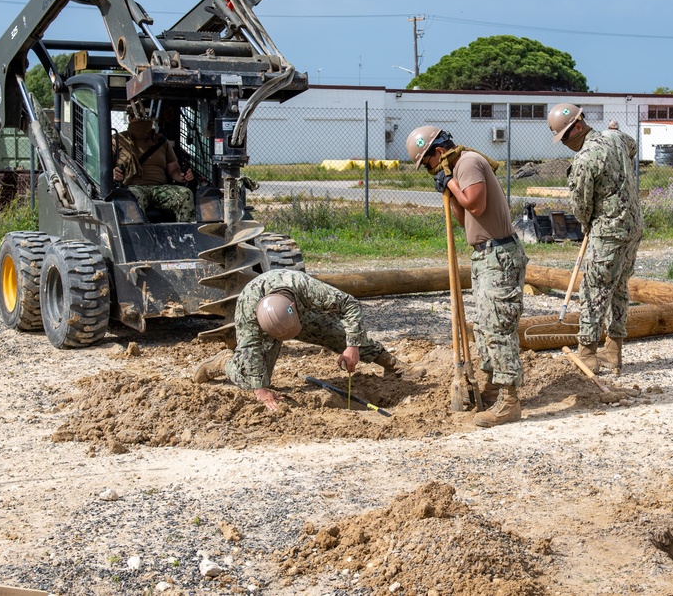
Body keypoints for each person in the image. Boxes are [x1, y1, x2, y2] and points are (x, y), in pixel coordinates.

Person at [405, 126, 528, 428]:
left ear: (437, 152)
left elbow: (476, 204)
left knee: (497, 325)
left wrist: (453, 184)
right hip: (484, 254)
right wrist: (450, 192)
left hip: (499, 254)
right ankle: (494, 384)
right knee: (485, 326)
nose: (429, 171)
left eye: (428, 165)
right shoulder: (458, 170)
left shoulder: (468, 163)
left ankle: (510, 401)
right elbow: (466, 217)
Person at [193, 269, 424, 411]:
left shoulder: (307, 289)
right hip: (267, 328)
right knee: (253, 378)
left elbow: (349, 305)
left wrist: (352, 345)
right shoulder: (248, 312)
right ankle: (224, 362)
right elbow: (251, 349)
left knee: (341, 335)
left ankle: (393, 365)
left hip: (299, 317)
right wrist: (261, 390)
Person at [548, 104, 644, 373]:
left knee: (594, 290)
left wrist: (587, 222)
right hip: (633, 225)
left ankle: (588, 352)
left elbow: (580, 204)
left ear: (578, 127)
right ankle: (613, 349)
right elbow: (632, 146)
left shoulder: (585, 159)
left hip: (608, 231)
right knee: (619, 287)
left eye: (565, 136)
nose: (565, 143)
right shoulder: (614, 138)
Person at [113, 111, 196, 222]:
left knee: (186, 194)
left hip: (159, 188)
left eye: (145, 117)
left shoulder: (161, 141)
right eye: (137, 117)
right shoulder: (118, 140)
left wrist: (181, 176)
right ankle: (138, 235)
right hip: (133, 188)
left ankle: (186, 234)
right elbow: (105, 169)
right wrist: (114, 173)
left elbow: (174, 169)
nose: (142, 121)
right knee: (131, 198)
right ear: (129, 118)